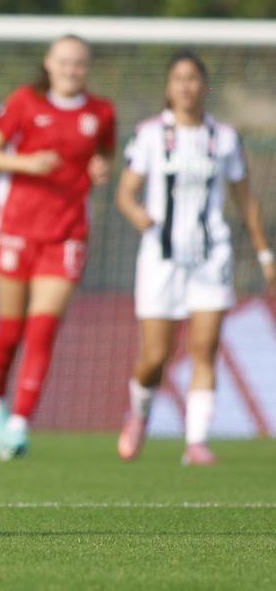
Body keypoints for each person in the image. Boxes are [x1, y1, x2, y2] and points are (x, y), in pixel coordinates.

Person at [115, 50, 274, 465]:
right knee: (155, 357)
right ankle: (139, 414)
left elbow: (246, 201)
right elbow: (125, 193)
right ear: (168, 88)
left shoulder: (223, 137)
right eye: (178, 79)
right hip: (161, 258)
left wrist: (264, 253)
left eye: (193, 78)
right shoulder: (150, 134)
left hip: (210, 256)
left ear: (205, 86)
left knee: (204, 348)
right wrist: (140, 216)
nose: (186, 86)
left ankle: (196, 441)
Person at [0, 35, 116, 460]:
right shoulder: (24, 102)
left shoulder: (101, 112)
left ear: (86, 68)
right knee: (10, 332)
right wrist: (25, 163)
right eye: (64, 61)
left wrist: (103, 168)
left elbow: (105, 155)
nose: (71, 69)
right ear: (49, 64)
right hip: (17, 229)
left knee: (43, 328)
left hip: (67, 234)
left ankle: (20, 421)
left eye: (79, 63)